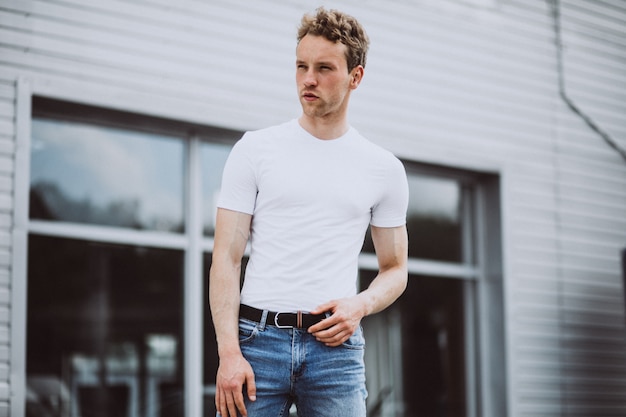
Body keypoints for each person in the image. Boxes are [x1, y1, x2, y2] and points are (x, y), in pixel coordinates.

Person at [209, 7, 409, 417]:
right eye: (301, 66)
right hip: (256, 344)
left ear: (356, 77)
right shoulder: (255, 149)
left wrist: (361, 305)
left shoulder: (383, 168)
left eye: (323, 68)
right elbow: (225, 259)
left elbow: (395, 268)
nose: (308, 79)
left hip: (336, 354)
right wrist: (229, 353)